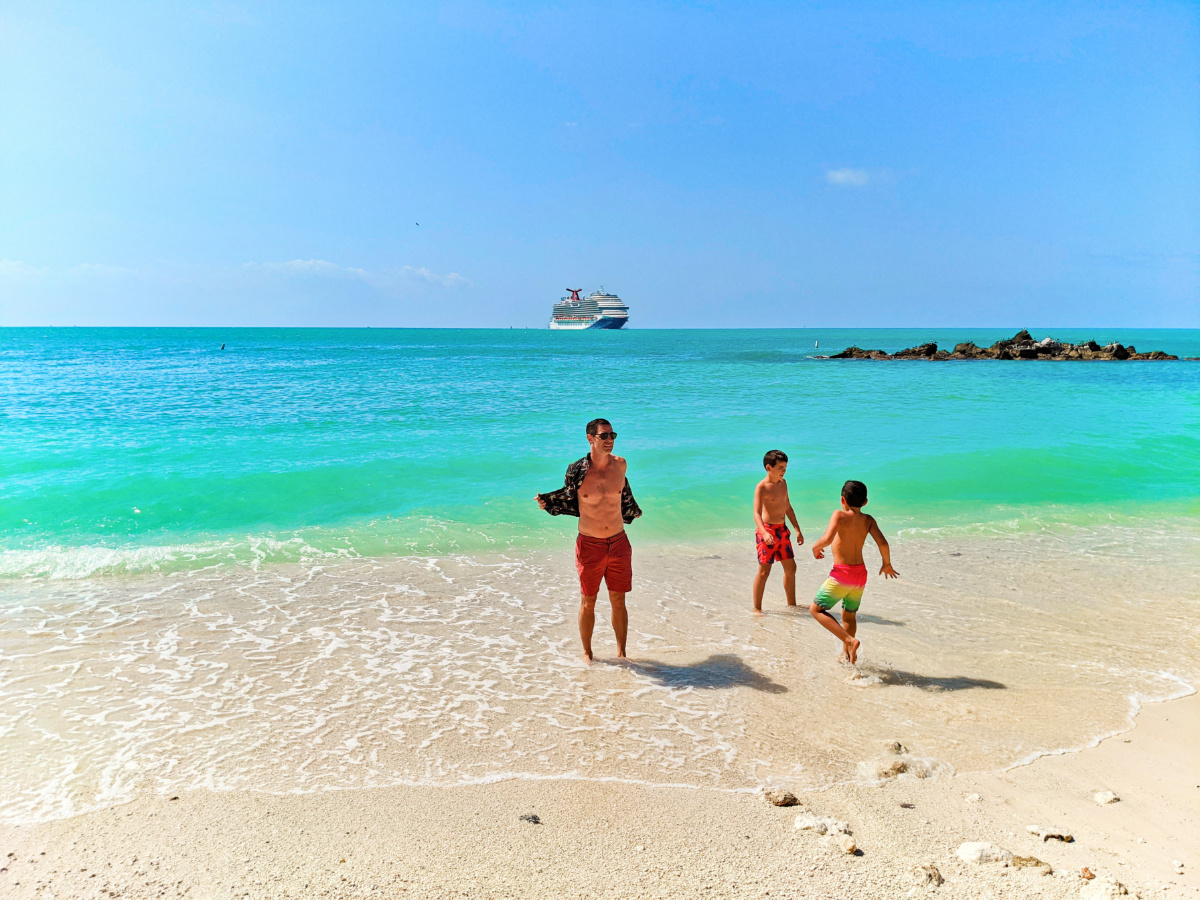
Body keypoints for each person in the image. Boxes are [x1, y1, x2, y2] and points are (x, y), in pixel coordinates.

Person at [536, 419, 641, 662]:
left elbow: (625, 497)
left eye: (612, 435)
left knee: (618, 599)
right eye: (604, 436)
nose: (610, 440)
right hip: (590, 544)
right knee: (588, 601)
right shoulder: (577, 469)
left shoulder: (621, 465)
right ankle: (587, 654)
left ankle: (622, 654)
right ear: (590, 438)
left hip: (618, 543)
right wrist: (548, 503)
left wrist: (633, 512)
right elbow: (569, 497)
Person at [808, 480, 898, 664]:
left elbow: (827, 538)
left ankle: (850, 641)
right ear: (865, 502)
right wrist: (886, 564)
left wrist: (815, 547)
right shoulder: (868, 520)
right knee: (848, 614)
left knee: (816, 609)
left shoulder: (839, 515)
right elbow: (883, 543)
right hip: (860, 576)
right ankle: (848, 656)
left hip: (842, 575)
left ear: (842, 499)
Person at [752, 449, 803, 614]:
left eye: (785, 467)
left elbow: (788, 507)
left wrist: (796, 529)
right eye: (780, 467)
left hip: (782, 530)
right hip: (767, 531)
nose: (783, 471)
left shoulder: (784, 484)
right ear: (769, 467)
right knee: (764, 570)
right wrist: (765, 533)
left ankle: (792, 604)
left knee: (791, 568)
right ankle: (757, 608)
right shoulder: (762, 487)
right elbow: (756, 513)